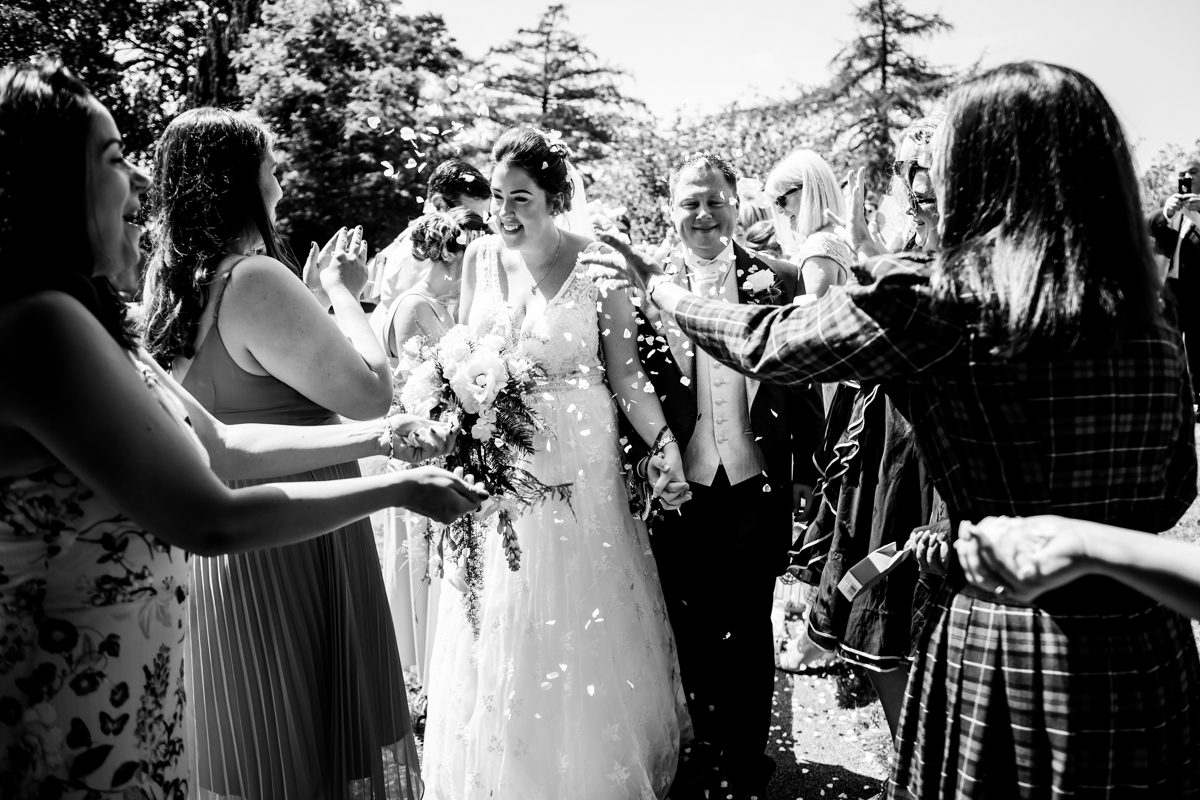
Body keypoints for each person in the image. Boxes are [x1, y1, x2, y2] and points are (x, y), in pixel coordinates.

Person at [585, 60, 1200, 798]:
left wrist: (665, 290)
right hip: (1144, 651)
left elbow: (771, 343)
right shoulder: (1147, 312)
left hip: (1004, 641)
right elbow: (1172, 494)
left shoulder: (943, 297)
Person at [0, 62, 485, 800]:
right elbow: (210, 515)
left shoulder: (96, 315)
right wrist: (397, 490)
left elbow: (222, 447)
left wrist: (383, 445)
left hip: (133, 684)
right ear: (46, 182)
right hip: (73, 702)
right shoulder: (41, 323)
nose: (135, 183)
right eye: (109, 158)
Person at [140, 107, 434, 799]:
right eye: (273, 168)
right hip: (301, 533)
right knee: (309, 737)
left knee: (254, 742)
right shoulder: (254, 279)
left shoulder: (172, 282)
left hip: (227, 537)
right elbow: (369, 394)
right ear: (239, 182)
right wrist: (341, 293)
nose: (281, 182)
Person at [421, 126, 692, 800]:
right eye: (496, 196)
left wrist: (663, 446)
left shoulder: (598, 265)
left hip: (583, 465)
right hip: (500, 465)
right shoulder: (481, 258)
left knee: (578, 609)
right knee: (503, 609)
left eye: (521, 198)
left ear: (554, 197)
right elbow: (464, 349)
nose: (506, 213)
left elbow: (627, 377)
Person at [615, 152, 822, 800]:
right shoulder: (640, 286)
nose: (702, 214)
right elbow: (629, 383)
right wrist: (650, 465)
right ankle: (698, 752)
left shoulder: (780, 279)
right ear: (671, 209)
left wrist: (811, 469)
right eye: (689, 202)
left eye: (714, 200)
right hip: (682, 487)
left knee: (751, 625)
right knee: (687, 625)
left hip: (757, 485)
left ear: (736, 202)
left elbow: (802, 377)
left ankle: (746, 761)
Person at [786, 117, 948, 736]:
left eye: (933, 166)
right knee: (878, 602)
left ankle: (934, 757)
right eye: (912, 169)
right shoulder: (899, 243)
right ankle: (908, 751)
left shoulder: (976, 252)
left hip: (945, 445)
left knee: (930, 600)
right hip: (885, 433)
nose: (922, 182)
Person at [376, 207, 488, 687]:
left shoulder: (450, 302)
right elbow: (413, 389)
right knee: (429, 561)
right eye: (472, 252)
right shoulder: (414, 306)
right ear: (449, 252)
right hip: (422, 449)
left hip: (450, 444)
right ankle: (428, 672)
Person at [367, 158, 491, 311]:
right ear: (439, 205)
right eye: (470, 219)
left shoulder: (412, 241)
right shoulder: (419, 258)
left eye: (484, 221)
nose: (479, 232)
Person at [765, 148, 855, 298]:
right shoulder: (841, 233)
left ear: (809, 190)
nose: (780, 211)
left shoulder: (819, 245)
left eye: (781, 200)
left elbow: (809, 317)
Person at [1148, 157, 1200, 398]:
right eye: (1183, 175)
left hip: (1196, 288)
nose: (1186, 179)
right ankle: (1172, 394)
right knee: (1168, 341)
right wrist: (1167, 213)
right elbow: (1150, 226)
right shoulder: (1169, 205)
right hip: (1170, 287)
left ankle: (1198, 397)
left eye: (1192, 173)